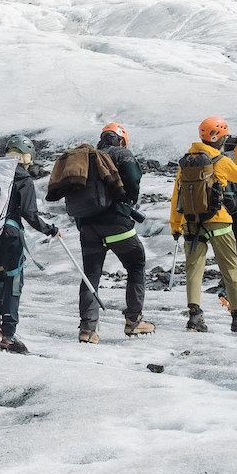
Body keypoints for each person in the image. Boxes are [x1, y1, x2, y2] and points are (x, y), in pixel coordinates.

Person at [0, 135, 59, 355]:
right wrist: (50, 229)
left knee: (0, 277)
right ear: (26, 157)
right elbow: (30, 214)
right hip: (9, 235)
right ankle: (9, 335)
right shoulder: (24, 179)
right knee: (15, 281)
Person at [169, 118, 237, 334]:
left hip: (191, 222)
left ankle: (195, 317)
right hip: (219, 221)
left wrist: (176, 225)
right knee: (230, 270)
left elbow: (177, 195)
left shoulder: (186, 162)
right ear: (218, 138)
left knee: (194, 271)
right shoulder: (220, 160)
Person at [73, 121, 154, 341]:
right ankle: (133, 321)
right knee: (136, 264)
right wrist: (129, 199)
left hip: (88, 225)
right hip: (116, 222)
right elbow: (133, 179)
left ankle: (87, 330)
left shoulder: (87, 157)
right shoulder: (120, 153)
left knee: (91, 275)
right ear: (120, 139)